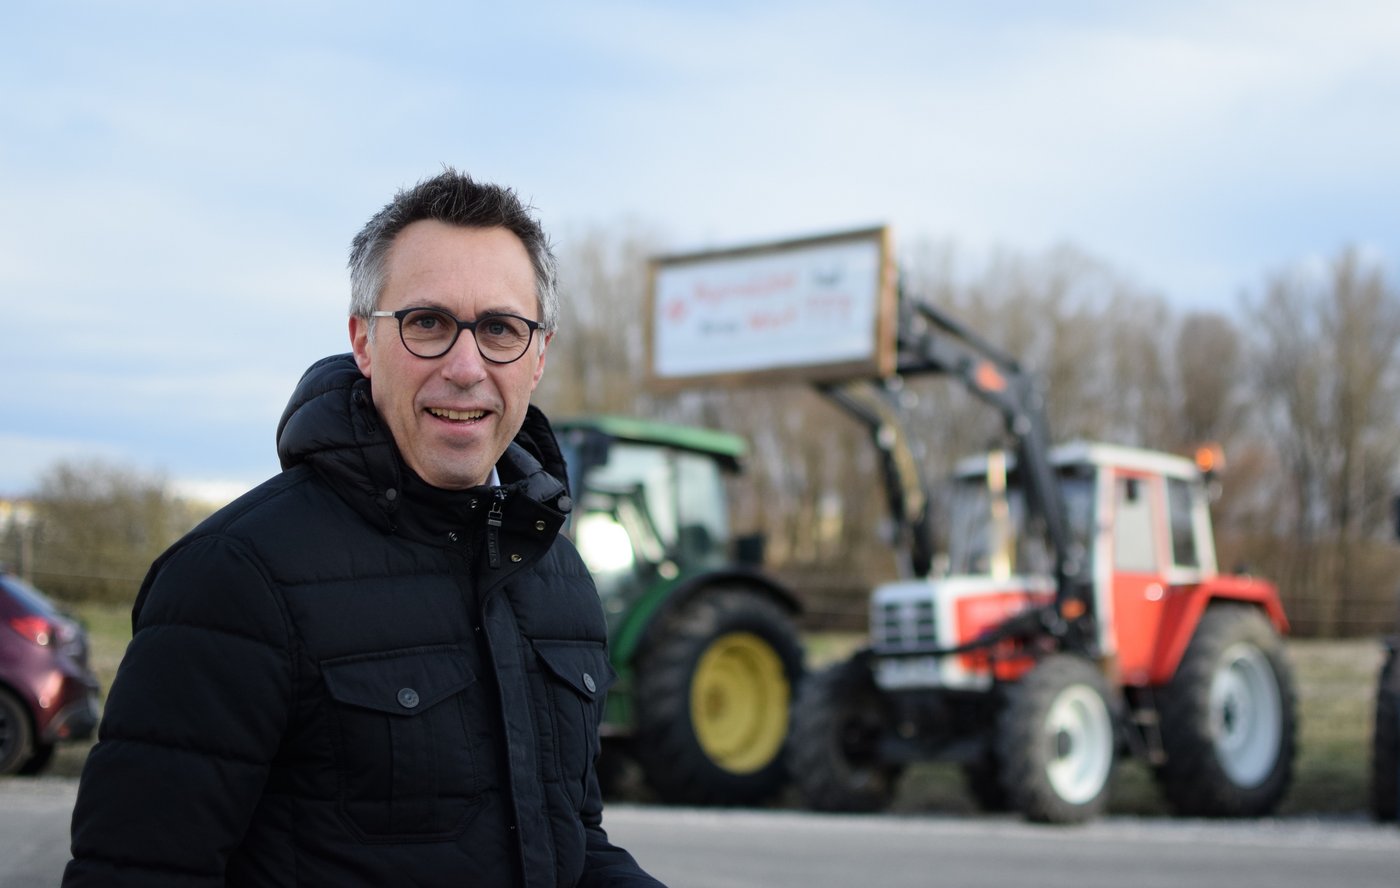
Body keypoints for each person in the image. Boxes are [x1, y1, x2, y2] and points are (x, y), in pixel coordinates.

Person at [64, 169, 667, 887]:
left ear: (537, 356)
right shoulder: (234, 578)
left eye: (501, 329)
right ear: (363, 341)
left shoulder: (558, 576)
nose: (466, 367)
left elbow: (570, 844)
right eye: (428, 324)